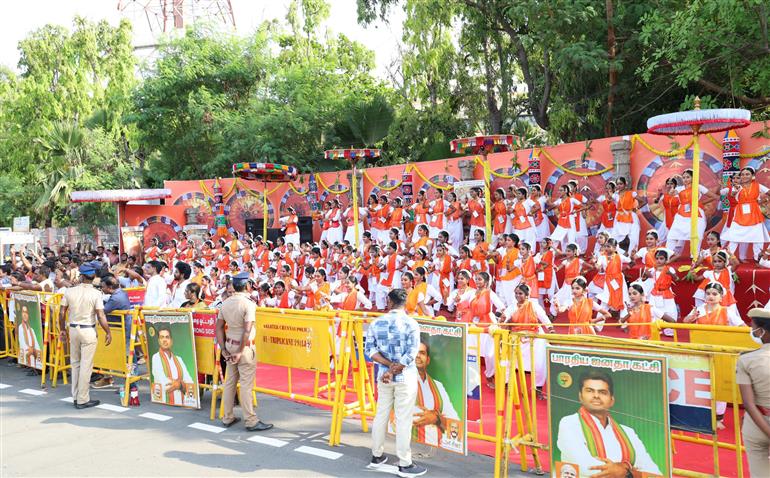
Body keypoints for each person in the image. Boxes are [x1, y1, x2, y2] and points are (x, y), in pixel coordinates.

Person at [365, 288, 427, 477]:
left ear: (390, 302)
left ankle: (376, 455)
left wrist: (387, 367)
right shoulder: (411, 324)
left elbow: (370, 350)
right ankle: (404, 463)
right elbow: (411, 353)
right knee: (403, 419)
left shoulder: (377, 323)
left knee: (381, 415)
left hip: (383, 375)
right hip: (404, 377)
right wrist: (395, 367)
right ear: (405, 303)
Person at [556, 370, 662, 477]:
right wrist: (629, 469)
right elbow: (589, 470)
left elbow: (655, 474)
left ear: (611, 400)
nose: (596, 395)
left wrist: (623, 471)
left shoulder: (628, 432)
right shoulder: (569, 424)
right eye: (590, 391)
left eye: (603, 392)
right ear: (580, 396)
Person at [216, 272, 273, 431]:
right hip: (244, 347)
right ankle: (251, 420)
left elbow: (219, 328)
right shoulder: (248, 304)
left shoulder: (225, 303)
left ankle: (227, 417)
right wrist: (240, 351)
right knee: (246, 385)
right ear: (247, 286)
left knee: (230, 383)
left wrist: (224, 349)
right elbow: (247, 330)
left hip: (230, 344)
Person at [58, 261, 112, 409]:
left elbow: (62, 312)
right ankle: (82, 399)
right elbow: (101, 315)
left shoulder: (69, 291)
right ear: (93, 276)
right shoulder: (96, 293)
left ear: (81, 276)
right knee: (86, 366)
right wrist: (108, 331)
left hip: (73, 329)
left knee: (75, 364)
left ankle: (76, 396)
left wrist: (62, 330)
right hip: (88, 330)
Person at [737, 308, 770, 477]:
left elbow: (749, 404)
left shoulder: (746, 359)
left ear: (762, 331)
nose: (752, 330)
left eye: (754, 327)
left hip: (757, 423)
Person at [409, 341, 459, 447]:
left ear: (428, 360)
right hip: (407, 445)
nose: (418, 355)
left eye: (422, 353)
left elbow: (455, 424)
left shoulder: (438, 386)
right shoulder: (401, 381)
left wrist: (437, 419)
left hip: (436, 449)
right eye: (415, 352)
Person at [93, 275, 132, 388]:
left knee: (125, 358)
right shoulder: (120, 293)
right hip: (118, 329)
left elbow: (102, 311)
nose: (101, 289)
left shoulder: (116, 298)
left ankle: (129, 385)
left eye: (103, 287)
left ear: (110, 287)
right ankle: (110, 379)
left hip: (121, 331)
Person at [150, 325, 196, 406]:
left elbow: (190, 383)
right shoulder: (156, 357)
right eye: (162, 337)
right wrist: (182, 384)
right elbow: (164, 385)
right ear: (158, 341)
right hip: (164, 404)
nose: (164, 340)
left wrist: (178, 384)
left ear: (171, 341)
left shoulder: (179, 359)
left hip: (182, 403)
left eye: (167, 337)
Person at [17, 304, 41, 369]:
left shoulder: (32, 330)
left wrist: (34, 351)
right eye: (23, 312)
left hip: (34, 359)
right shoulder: (20, 327)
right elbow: (23, 345)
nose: (24, 315)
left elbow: (37, 347)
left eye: (26, 312)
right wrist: (33, 350)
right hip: (27, 357)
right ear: (21, 314)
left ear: (28, 315)